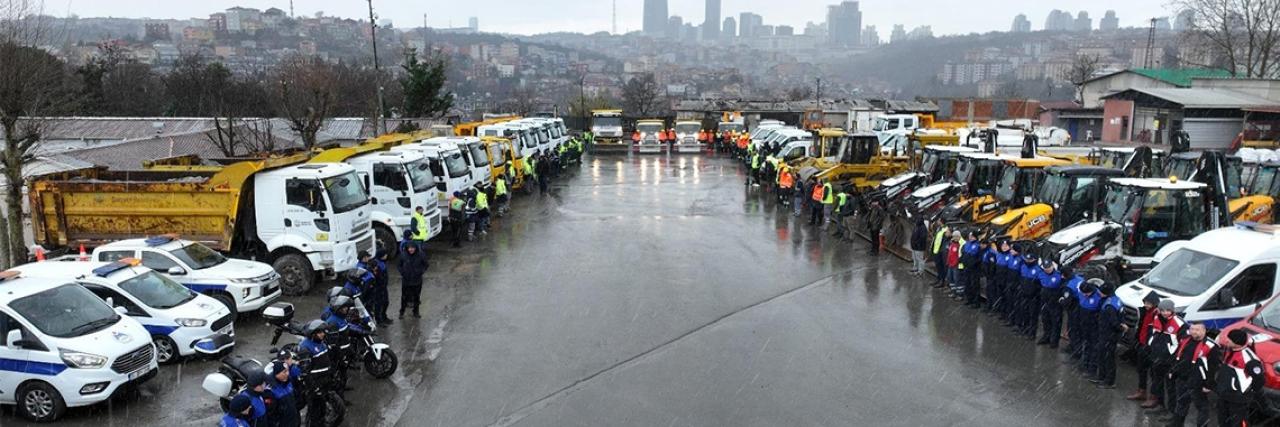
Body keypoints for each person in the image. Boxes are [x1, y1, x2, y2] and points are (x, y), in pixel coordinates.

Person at [1214, 329, 1264, 427]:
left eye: (1230, 339)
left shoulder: (1250, 359)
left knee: (1238, 423)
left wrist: (1247, 392)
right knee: (1223, 420)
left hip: (1238, 399)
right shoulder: (1229, 350)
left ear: (1237, 342)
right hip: (1224, 395)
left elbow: (1259, 380)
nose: (1227, 340)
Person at [1167, 322, 1213, 427]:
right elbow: (1178, 356)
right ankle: (1177, 424)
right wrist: (1173, 371)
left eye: (1197, 330)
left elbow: (1212, 367)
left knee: (1201, 407)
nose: (1193, 332)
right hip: (1183, 377)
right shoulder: (1185, 340)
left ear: (1204, 331)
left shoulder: (1210, 346)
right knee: (1181, 402)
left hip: (1198, 382)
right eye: (1192, 329)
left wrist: (1208, 384)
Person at [1144, 299, 1185, 413]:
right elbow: (1153, 335)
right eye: (1162, 310)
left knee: (1170, 387)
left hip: (1169, 360)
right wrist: (1150, 347)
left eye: (1168, 310)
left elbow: (1182, 344)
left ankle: (1171, 411)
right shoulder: (1157, 319)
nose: (1165, 312)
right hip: (1157, 358)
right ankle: (1161, 405)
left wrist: (1174, 360)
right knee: (1158, 383)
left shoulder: (1179, 324)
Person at [1129, 292, 1163, 403]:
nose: (1146, 305)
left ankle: (1153, 396)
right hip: (1142, 345)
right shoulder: (1145, 312)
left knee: (1154, 373)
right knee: (1141, 369)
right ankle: (1142, 391)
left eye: (1149, 303)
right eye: (1145, 303)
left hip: (1150, 347)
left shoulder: (1157, 315)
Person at [1092, 281, 1125, 389]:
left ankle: (1109, 381)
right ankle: (1102, 376)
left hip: (1108, 335)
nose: (1099, 293)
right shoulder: (1115, 300)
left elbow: (1114, 323)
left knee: (1108, 358)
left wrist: (1120, 328)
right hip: (1107, 335)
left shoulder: (1109, 306)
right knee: (1102, 355)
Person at [266, 358, 302, 427]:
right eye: (284, 372)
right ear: (276, 373)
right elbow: (271, 415)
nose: (287, 374)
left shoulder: (289, 383)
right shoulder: (270, 391)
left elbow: (296, 399)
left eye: (288, 371)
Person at [1037, 260, 1064, 348]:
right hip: (1045, 300)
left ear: (1052, 266)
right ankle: (1046, 337)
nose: (1047, 269)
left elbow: (1063, 288)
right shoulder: (1041, 274)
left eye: (1049, 267)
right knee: (1045, 320)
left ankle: (1054, 341)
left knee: (1055, 322)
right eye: (1045, 268)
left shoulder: (1059, 275)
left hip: (1055, 302)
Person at [398, 241, 428, 319]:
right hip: (406, 281)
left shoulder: (421, 255)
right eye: (409, 248)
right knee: (404, 297)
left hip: (417, 281)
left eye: (413, 248)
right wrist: (403, 273)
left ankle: (416, 311)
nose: (411, 250)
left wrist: (420, 272)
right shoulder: (403, 255)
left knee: (416, 297)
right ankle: (402, 312)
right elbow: (399, 265)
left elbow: (426, 265)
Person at [1016, 252, 1042, 338]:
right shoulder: (1023, 267)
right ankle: (1024, 328)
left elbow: (1040, 285)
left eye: (1030, 260)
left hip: (1034, 297)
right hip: (1024, 295)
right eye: (1026, 259)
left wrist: (1036, 294)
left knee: (1033, 315)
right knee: (1024, 312)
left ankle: (1032, 332)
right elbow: (1020, 279)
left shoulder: (1038, 270)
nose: (1027, 261)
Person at [365, 251, 391, 325]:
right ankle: (379, 320)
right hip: (377, 290)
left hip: (383, 288)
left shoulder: (378, 269)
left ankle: (383, 316)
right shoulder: (371, 275)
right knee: (378, 305)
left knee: (386, 302)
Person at [960, 233, 983, 306]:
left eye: (972, 236)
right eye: (970, 236)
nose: (970, 238)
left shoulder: (978, 246)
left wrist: (974, 264)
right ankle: (969, 299)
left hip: (974, 269)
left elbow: (979, 258)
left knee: (975, 285)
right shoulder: (966, 244)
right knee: (967, 284)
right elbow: (963, 253)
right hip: (967, 268)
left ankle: (976, 302)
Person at [982, 238, 1004, 313]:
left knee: (992, 292)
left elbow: (992, 265)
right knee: (989, 291)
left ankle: (993, 308)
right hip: (989, 276)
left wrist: (990, 274)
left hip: (991, 276)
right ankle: (989, 306)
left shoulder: (991, 253)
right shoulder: (987, 251)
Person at [930, 221, 950, 289]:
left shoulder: (945, 230)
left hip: (941, 253)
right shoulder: (939, 229)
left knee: (942, 268)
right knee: (938, 267)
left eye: (939, 220)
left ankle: (942, 281)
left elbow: (944, 242)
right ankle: (938, 279)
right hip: (937, 251)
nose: (937, 221)